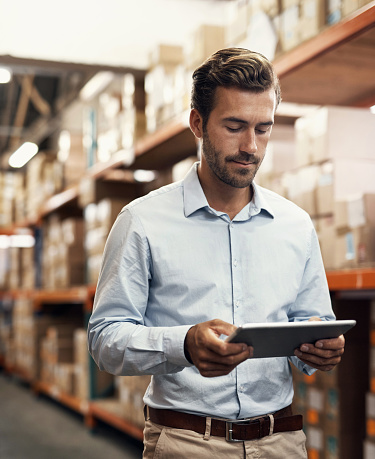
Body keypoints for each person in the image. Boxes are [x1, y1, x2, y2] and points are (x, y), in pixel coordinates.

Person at [88, 48, 345, 458]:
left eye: (263, 129)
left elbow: (313, 322)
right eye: (235, 126)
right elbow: (105, 340)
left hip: (281, 442)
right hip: (187, 442)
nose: (251, 146)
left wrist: (321, 349)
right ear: (197, 123)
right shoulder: (143, 220)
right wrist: (185, 345)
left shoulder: (295, 224)